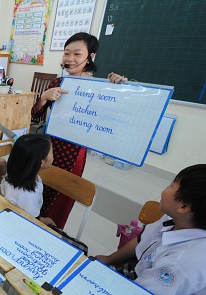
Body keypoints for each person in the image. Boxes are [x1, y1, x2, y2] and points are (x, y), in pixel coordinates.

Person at [32, 32, 128, 228]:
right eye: (67, 53)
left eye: (77, 54)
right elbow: (34, 115)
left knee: (62, 194)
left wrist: (120, 86)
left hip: (74, 152)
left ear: (90, 57)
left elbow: (118, 113)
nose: (70, 59)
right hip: (49, 147)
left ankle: (52, 231)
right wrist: (44, 97)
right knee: (39, 189)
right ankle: (33, 221)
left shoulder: (100, 86)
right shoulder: (57, 83)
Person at [95, 164, 206, 294]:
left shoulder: (179, 264)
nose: (165, 188)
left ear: (184, 206)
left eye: (171, 185)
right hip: (140, 274)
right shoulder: (175, 219)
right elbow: (142, 239)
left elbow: (140, 292)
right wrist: (109, 259)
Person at [3, 134, 55, 225]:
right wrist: (46, 221)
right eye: (51, 152)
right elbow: (32, 221)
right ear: (41, 162)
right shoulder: (29, 195)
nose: (53, 154)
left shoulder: (20, 176)